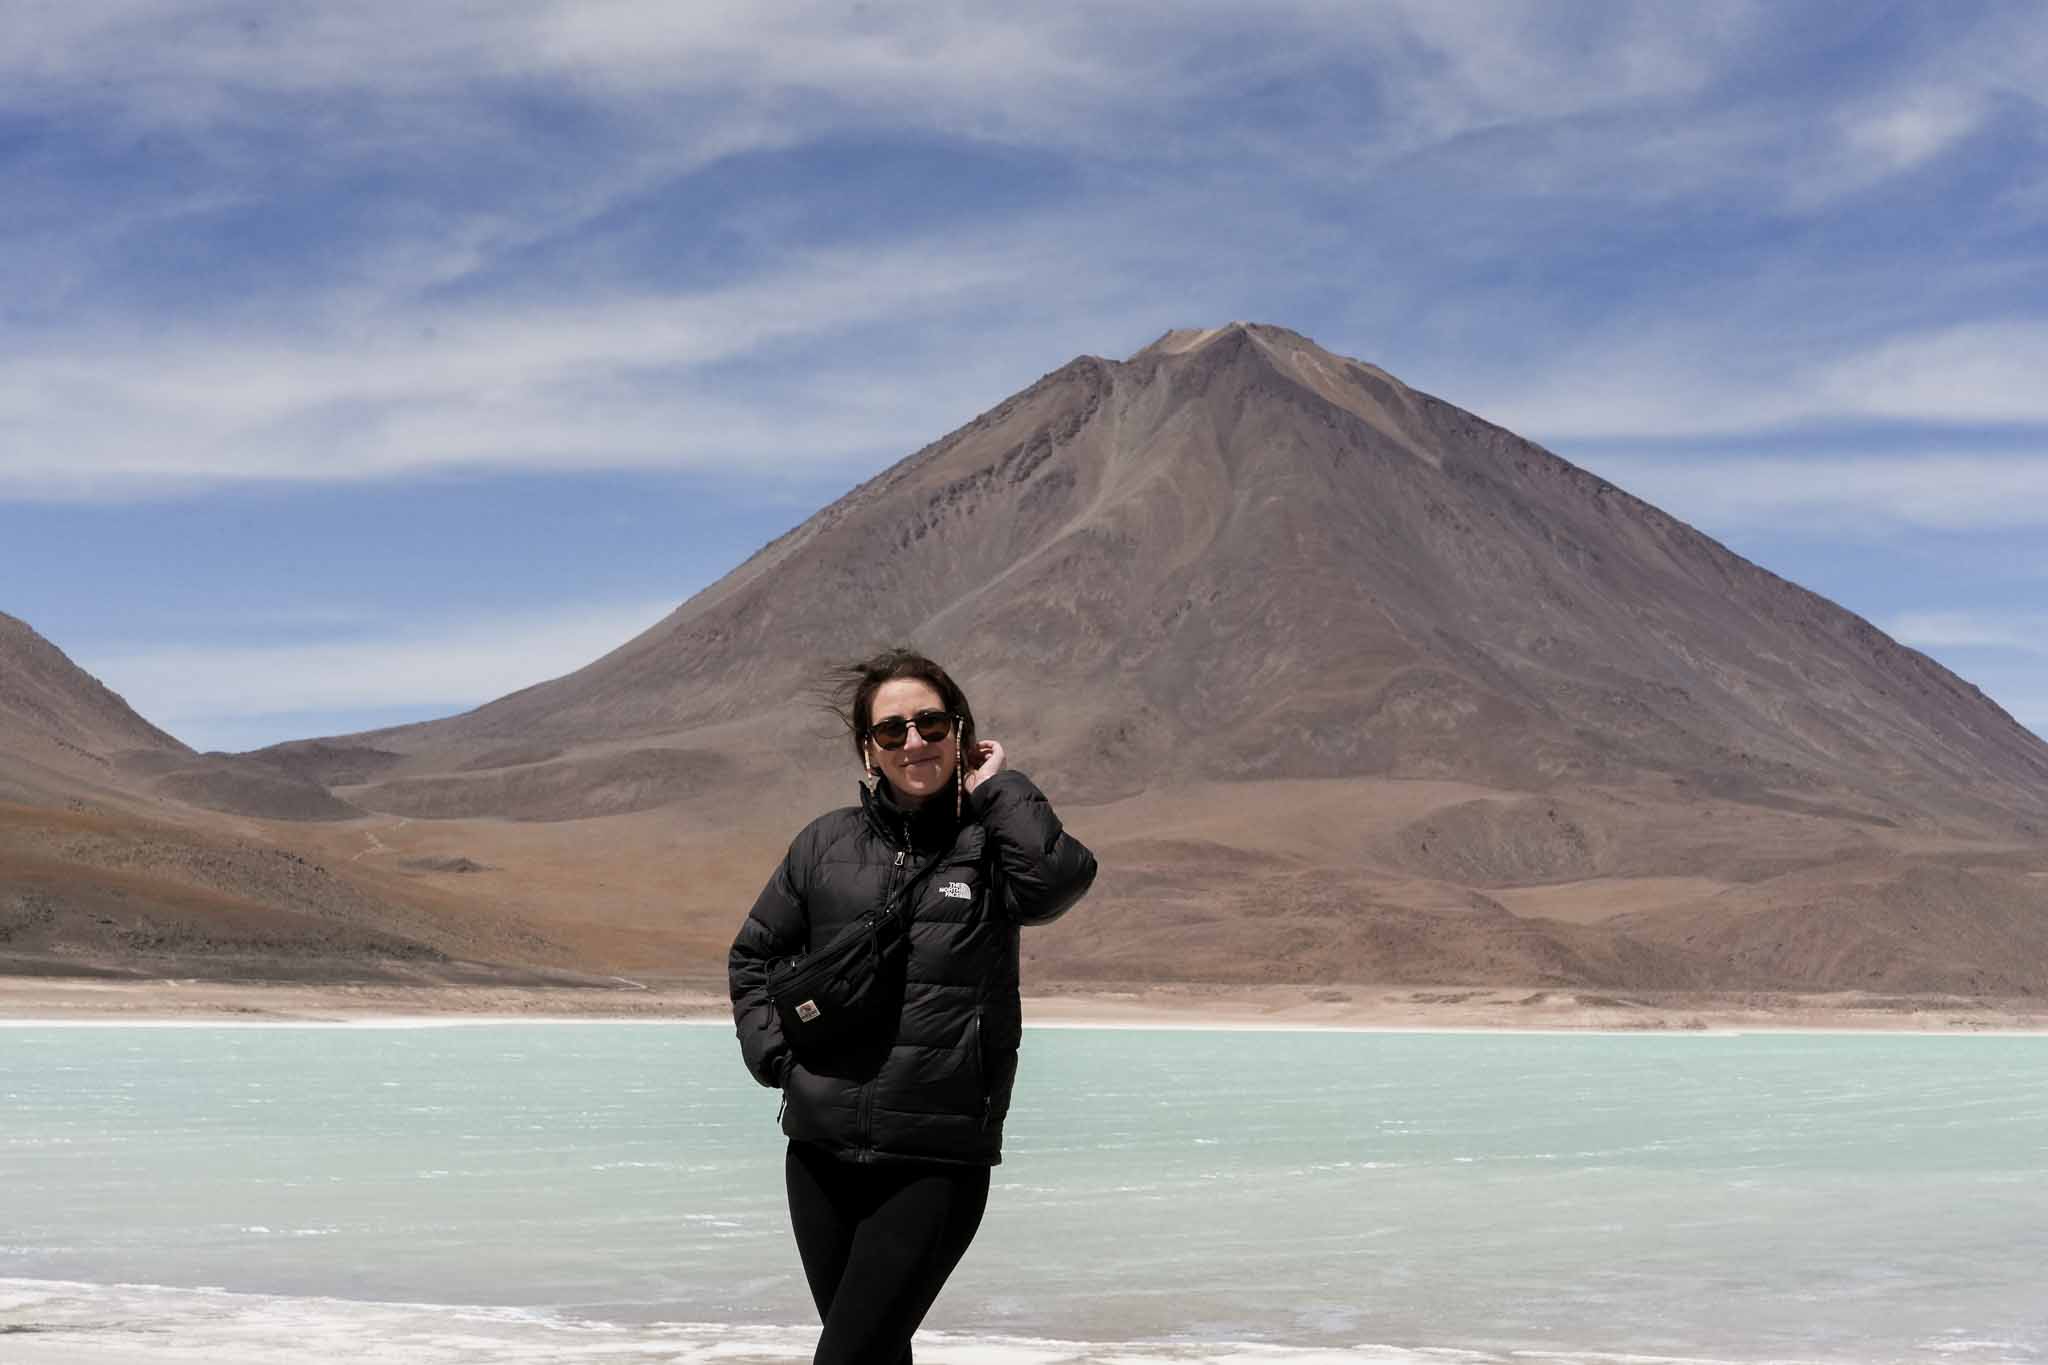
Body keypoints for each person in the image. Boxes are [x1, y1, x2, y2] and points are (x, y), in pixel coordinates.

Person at [728, 647, 1097, 1364]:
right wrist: (778, 1060)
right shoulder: (824, 843)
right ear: (868, 749)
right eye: (891, 730)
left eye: (931, 723)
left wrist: (1000, 788)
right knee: (874, 1355)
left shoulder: (991, 845)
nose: (914, 742)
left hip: (937, 1155)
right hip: (820, 1152)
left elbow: (1056, 883)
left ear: (960, 732)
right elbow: (754, 955)